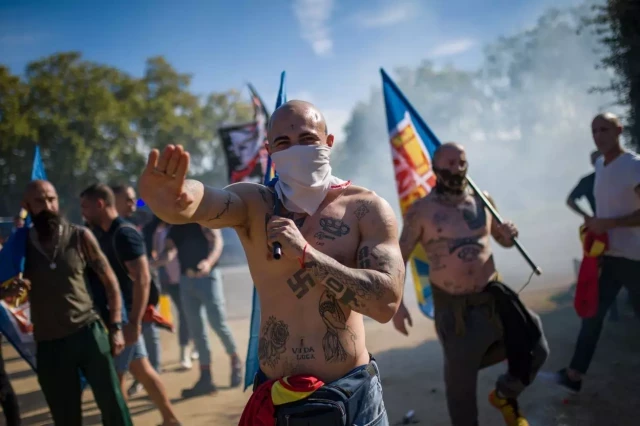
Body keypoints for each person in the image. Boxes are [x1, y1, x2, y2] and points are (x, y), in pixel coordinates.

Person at [140, 100, 404, 424]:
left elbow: (385, 303)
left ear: (328, 142)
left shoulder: (365, 208)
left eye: (307, 139)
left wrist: (306, 255)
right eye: (283, 143)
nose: (296, 150)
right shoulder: (254, 203)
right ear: (269, 151)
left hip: (352, 395)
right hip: (278, 397)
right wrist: (178, 198)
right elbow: (206, 201)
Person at [392, 143, 549, 426]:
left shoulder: (482, 200)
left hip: (494, 297)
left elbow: (501, 240)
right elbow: (399, 257)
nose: (457, 169)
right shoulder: (421, 211)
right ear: (435, 168)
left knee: (535, 345)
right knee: (461, 388)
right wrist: (398, 305)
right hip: (456, 311)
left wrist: (508, 234)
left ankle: (504, 393)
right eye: (449, 163)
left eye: (461, 162)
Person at [17, 180, 132, 426]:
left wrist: (115, 327)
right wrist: (14, 288)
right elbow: (9, 292)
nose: (48, 205)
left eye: (51, 199)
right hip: (50, 343)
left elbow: (111, 282)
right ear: (26, 206)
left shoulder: (80, 236)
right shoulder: (20, 246)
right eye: (39, 201)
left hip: (88, 334)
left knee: (113, 405)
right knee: (65, 415)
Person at [80, 183, 180, 426]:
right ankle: (171, 419)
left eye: (86, 207)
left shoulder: (124, 233)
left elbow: (143, 277)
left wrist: (133, 322)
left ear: (100, 204)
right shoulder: (100, 233)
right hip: (118, 318)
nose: (82, 212)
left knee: (115, 379)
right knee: (143, 371)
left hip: (125, 320)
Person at [556, 113, 640, 393]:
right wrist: (595, 230)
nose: (599, 135)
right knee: (591, 314)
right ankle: (574, 374)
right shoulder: (601, 168)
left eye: (604, 129)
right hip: (610, 257)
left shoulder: (634, 166)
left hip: (636, 258)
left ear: (619, 130)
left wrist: (610, 223)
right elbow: (600, 213)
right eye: (594, 131)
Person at [153, 222, 241, 396]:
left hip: (208, 278)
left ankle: (235, 360)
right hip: (186, 280)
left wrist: (208, 262)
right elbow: (169, 251)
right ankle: (205, 377)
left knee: (217, 322)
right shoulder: (175, 225)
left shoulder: (203, 218)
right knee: (196, 330)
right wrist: (153, 263)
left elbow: (217, 242)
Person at [112, 184, 162, 396]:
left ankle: (153, 382)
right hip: (124, 303)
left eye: (135, 199)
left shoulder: (135, 225)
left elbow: (142, 275)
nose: (133, 204)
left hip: (141, 298)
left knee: (148, 341)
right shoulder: (111, 229)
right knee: (137, 360)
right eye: (128, 199)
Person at [151, 219, 195, 370]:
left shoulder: (181, 227)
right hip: (170, 281)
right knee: (184, 314)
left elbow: (171, 252)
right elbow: (158, 252)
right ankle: (188, 348)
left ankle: (187, 350)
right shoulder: (159, 231)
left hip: (184, 278)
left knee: (186, 314)